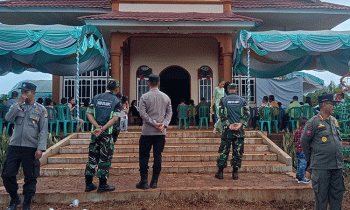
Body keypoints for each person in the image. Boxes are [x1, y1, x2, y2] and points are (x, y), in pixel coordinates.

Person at [2, 82, 48, 210]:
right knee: (7, 174)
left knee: (30, 176)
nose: (23, 94)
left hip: (30, 147)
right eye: (22, 91)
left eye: (26, 92)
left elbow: (43, 130)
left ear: (33, 93)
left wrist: (40, 148)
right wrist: (18, 104)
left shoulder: (41, 110)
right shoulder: (16, 106)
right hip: (15, 145)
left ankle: (27, 203)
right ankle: (14, 198)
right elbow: (8, 118)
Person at [301, 93, 345, 210]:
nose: (334, 107)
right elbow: (304, 141)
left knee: (337, 198)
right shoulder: (313, 122)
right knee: (321, 199)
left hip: (337, 166)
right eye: (332, 104)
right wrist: (311, 160)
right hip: (321, 167)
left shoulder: (334, 121)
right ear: (324, 104)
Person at [84, 79, 121, 193]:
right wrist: (103, 129)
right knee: (105, 158)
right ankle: (102, 185)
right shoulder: (116, 101)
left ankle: (89, 184)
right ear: (116, 89)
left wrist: (97, 127)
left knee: (92, 157)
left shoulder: (96, 97)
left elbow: (88, 113)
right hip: (107, 134)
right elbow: (115, 119)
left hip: (95, 133)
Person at [136, 74, 172, 189]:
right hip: (160, 132)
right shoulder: (166, 97)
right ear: (159, 83)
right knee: (158, 156)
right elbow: (169, 113)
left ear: (148, 83)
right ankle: (155, 181)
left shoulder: (144, 97)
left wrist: (153, 123)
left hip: (147, 132)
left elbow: (142, 114)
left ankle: (144, 181)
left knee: (144, 156)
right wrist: (164, 124)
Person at [214, 83, 249, 180]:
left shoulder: (223, 100)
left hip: (227, 131)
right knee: (237, 152)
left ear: (228, 90)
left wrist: (229, 125)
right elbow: (247, 114)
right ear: (236, 90)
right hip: (239, 131)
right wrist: (240, 124)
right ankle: (235, 173)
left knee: (224, 151)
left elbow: (221, 114)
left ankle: (220, 173)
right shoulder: (242, 100)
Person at [293, 116, 309, 184]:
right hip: (303, 149)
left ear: (299, 123)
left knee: (299, 162)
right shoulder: (306, 131)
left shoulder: (297, 131)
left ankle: (298, 176)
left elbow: (294, 140)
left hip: (297, 149)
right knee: (303, 163)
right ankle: (302, 178)